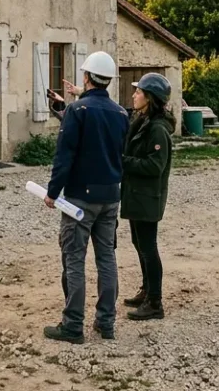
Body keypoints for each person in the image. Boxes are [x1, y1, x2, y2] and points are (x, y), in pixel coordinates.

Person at [42, 51, 130, 344]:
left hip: (80, 198)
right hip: (110, 196)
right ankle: (106, 322)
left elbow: (64, 156)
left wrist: (53, 192)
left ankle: (73, 325)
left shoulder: (78, 112)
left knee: (74, 259)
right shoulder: (121, 114)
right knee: (107, 258)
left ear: (87, 77)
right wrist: (64, 105)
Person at [120, 72, 175, 321]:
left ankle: (155, 302)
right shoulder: (142, 121)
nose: (134, 95)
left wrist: (124, 163)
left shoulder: (158, 130)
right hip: (137, 195)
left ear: (149, 98)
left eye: (138, 92)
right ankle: (147, 290)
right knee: (139, 244)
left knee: (148, 247)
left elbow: (155, 166)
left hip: (147, 196)